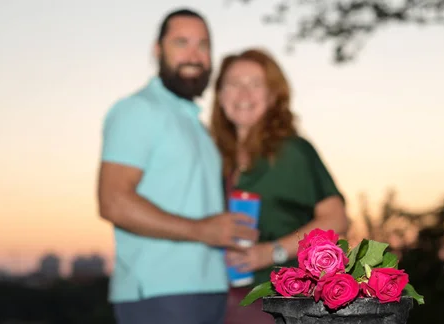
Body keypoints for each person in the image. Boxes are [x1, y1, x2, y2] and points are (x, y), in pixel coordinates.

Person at [97, 8, 259, 324]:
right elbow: (113, 202)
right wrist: (201, 230)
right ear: (157, 51)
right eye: (181, 42)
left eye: (203, 45)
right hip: (160, 295)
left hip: (211, 290)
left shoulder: (196, 124)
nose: (194, 55)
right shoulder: (137, 110)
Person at [209, 48, 350, 323]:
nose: (244, 94)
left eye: (255, 84)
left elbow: (337, 220)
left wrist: (270, 251)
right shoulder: (213, 159)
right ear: (220, 96)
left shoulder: (294, 151)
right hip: (221, 302)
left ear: (273, 96)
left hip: (282, 303)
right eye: (234, 84)